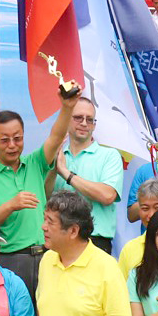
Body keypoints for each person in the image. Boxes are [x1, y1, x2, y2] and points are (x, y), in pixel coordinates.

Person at [0, 97, 77, 297]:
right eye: (4, 140)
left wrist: (67, 106)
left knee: (49, 311)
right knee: (15, 313)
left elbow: (56, 137)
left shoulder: (35, 163)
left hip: (47, 255)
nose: (12, 145)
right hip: (10, 259)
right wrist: (10, 205)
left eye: (18, 138)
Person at [50, 97, 125, 252]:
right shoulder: (56, 155)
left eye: (89, 119)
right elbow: (44, 196)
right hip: (59, 239)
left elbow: (107, 195)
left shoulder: (109, 155)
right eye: (78, 118)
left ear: (94, 125)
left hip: (95, 241)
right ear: (67, 120)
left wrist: (66, 174)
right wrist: (52, 165)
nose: (84, 123)